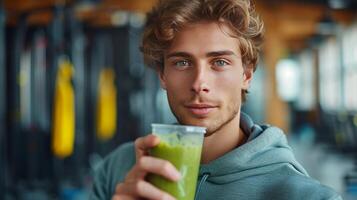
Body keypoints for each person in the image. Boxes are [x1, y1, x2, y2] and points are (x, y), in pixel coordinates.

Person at [90, 0, 341, 199]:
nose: (199, 83)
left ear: (246, 75)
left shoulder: (306, 195)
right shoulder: (116, 169)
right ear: (163, 75)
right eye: (182, 62)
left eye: (219, 62)